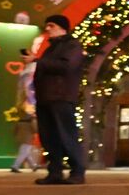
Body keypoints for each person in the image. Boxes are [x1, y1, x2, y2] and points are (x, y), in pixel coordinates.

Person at [28, 14, 86, 184]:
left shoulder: (72, 45)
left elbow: (67, 66)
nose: (47, 29)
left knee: (67, 135)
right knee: (49, 137)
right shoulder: (50, 49)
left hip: (61, 97)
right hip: (45, 98)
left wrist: (38, 61)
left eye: (51, 25)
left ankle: (77, 172)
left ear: (62, 27)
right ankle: (55, 172)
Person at [11, 102, 40, 172]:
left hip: (19, 138)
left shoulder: (19, 120)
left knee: (26, 153)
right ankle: (15, 166)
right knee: (23, 153)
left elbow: (15, 130)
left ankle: (34, 166)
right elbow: (35, 129)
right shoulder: (32, 121)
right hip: (28, 139)